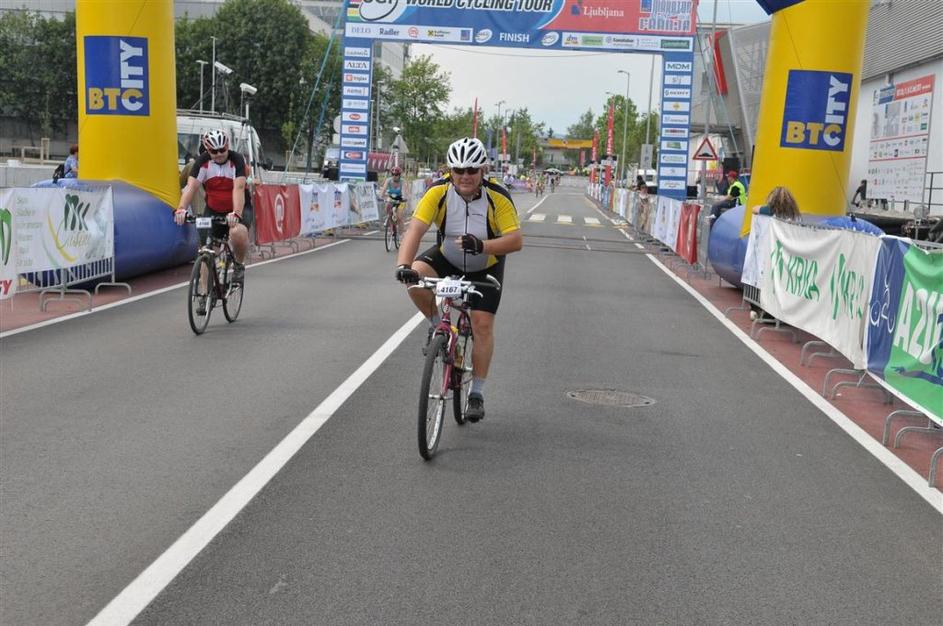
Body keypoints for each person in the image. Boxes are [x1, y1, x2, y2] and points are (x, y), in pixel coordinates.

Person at [394, 137, 523, 423]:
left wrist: (482, 246)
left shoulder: (498, 196)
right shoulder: (438, 192)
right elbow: (415, 230)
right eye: (459, 170)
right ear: (450, 170)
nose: (465, 176)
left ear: (483, 170)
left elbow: (515, 240)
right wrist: (403, 265)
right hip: (447, 256)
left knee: (482, 324)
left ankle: (476, 393)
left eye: (472, 170)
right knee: (414, 278)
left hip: (486, 263)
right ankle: (436, 326)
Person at [174, 129, 252, 290]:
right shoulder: (202, 162)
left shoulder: (237, 159)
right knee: (206, 251)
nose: (219, 154)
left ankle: (238, 265)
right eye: (214, 151)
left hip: (238, 208)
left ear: (227, 146)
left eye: (222, 150)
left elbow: (238, 188)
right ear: (207, 150)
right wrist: (181, 209)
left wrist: (236, 213)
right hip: (213, 209)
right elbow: (191, 188)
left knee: (237, 232)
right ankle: (205, 294)